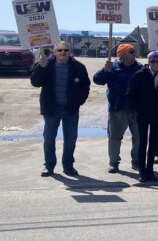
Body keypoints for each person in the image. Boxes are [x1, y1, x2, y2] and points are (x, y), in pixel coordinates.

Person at [30, 42, 90, 177]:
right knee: (49, 139)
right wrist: (41, 67)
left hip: (70, 110)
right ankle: (49, 166)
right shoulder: (46, 64)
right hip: (51, 109)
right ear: (54, 52)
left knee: (70, 139)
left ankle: (68, 166)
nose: (63, 52)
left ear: (70, 52)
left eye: (66, 50)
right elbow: (35, 82)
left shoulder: (78, 67)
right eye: (60, 50)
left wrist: (78, 102)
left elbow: (85, 86)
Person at [93, 43, 142, 173]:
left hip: (136, 109)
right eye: (131, 52)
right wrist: (104, 70)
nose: (134, 54)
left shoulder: (140, 68)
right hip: (117, 108)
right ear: (122, 54)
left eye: (134, 52)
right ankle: (113, 162)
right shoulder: (113, 67)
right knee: (114, 137)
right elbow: (97, 80)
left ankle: (136, 161)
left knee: (139, 137)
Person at [127, 51, 158, 182]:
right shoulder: (140, 74)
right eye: (153, 61)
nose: (155, 64)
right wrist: (136, 110)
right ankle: (142, 171)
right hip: (143, 114)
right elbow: (130, 93)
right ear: (148, 62)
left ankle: (150, 170)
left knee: (153, 143)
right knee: (142, 142)